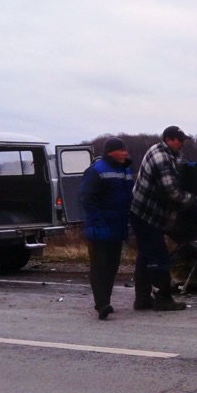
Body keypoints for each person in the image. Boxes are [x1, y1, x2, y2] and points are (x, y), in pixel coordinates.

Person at [130, 125, 197, 311]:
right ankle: (163, 299)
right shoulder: (162, 158)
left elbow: (175, 169)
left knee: (145, 255)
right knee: (159, 256)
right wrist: (194, 200)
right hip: (147, 215)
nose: (183, 143)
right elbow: (172, 192)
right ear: (169, 139)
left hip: (141, 212)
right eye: (180, 140)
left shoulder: (161, 151)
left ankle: (142, 299)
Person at [80, 137, 133, 320]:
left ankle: (106, 301)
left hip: (117, 228)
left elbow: (128, 198)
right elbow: (88, 199)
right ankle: (101, 304)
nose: (125, 153)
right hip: (100, 228)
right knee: (99, 266)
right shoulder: (96, 170)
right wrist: (98, 223)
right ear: (111, 152)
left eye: (125, 149)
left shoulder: (125, 170)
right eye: (122, 150)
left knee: (111, 266)